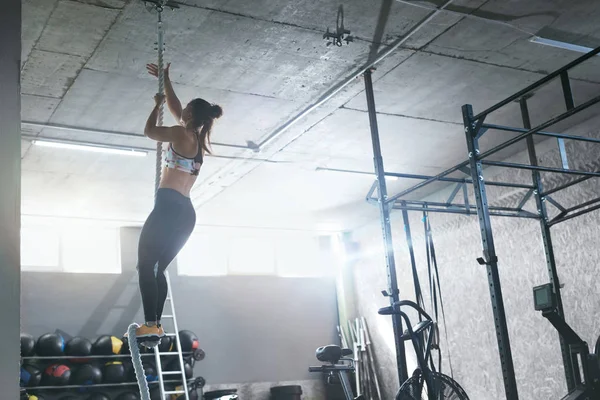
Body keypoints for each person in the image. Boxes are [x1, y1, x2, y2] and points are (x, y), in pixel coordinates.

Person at [134, 62, 223, 342]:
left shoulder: (178, 133)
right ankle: (155, 325)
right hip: (185, 214)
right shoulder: (195, 136)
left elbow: (150, 131)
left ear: (190, 114)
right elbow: (177, 107)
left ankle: (152, 324)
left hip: (169, 208)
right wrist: (166, 79)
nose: (180, 110)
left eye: (185, 110)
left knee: (146, 266)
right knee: (157, 266)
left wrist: (156, 104)